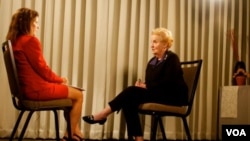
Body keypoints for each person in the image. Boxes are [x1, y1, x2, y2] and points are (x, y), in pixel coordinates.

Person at [82, 27, 188, 141]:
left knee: (130, 91)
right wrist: (143, 85)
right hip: (159, 93)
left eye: (155, 42)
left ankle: (103, 114)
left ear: (165, 45)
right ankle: (138, 138)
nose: (151, 45)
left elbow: (168, 83)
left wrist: (146, 87)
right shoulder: (152, 62)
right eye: (151, 42)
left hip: (172, 96)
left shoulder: (172, 58)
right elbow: (152, 83)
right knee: (129, 100)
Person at [6, 8, 84, 141]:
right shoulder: (30, 41)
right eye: (35, 22)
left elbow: (38, 71)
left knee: (73, 95)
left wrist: (57, 82)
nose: (37, 26)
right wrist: (61, 80)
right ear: (27, 23)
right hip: (36, 90)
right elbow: (43, 70)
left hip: (26, 91)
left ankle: (73, 129)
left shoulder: (14, 42)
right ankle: (70, 134)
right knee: (78, 95)